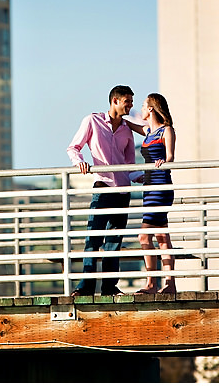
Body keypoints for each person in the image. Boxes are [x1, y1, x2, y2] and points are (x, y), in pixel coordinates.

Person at [66, 85, 137, 296]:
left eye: (132, 102)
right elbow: (73, 147)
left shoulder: (127, 129)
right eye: (128, 102)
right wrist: (80, 162)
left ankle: (109, 288)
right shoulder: (92, 120)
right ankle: (85, 288)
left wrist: (141, 176)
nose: (131, 106)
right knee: (93, 240)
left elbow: (130, 164)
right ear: (115, 101)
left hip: (123, 191)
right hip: (103, 186)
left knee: (114, 242)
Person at [127, 93, 177, 294]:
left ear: (151, 108)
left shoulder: (167, 130)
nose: (139, 109)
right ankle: (170, 284)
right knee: (162, 236)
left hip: (161, 184)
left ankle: (151, 283)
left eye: (142, 105)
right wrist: (115, 118)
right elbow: (130, 124)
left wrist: (163, 161)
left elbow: (171, 156)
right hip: (148, 186)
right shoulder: (148, 131)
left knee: (143, 236)